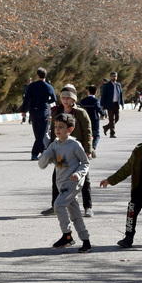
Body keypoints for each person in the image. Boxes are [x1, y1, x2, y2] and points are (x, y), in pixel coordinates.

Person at [38, 113, 91, 253]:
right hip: (62, 184)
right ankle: (86, 241)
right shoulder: (54, 145)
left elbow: (85, 163)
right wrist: (46, 156)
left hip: (73, 182)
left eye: (61, 127)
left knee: (58, 205)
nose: (57, 129)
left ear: (70, 129)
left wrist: (78, 174)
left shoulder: (75, 145)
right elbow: (41, 165)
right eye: (55, 126)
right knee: (75, 213)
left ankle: (67, 235)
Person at [42, 86, 94, 217]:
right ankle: (55, 205)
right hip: (60, 150)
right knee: (56, 177)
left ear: (73, 99)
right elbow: (54, 132)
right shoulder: (56, 112)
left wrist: (88, 151)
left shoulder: (81, 113)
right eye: (63, 97)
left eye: (68, 98)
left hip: (77, 150)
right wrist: (51, 150)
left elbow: (88, 132)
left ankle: (88, 207)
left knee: (84, 178)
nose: (65, 100)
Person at [21, 67, 57, 160]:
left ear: (37, 75)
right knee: (40, 133)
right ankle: (43, 150)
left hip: (33, 111)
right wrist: (46, 102)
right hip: (43, 110)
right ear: (45, 75)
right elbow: (54, 98)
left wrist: (24, 110)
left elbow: (26, 99)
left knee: (37, 132)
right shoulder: (48, 86)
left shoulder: (32, 86)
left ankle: (34, 153)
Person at [78, 85, 103, 152]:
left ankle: (86, 148)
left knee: (87, 135)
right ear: (96, 92)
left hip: (85, 121)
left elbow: (78, 108)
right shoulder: (96, 100)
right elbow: (98, 108)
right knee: (96, 135)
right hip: (94, 121)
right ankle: (93, 147)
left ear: (88, 92)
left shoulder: (83, 101)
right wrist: (103, 114)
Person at [100, 71, 125, 138]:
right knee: (111, 119)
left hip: (116, 104)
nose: (114, 77)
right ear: (110, 77)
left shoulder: (118, 85)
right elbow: (103, 95)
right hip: (110, 104)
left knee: (117, 118)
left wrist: (122, 103)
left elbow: (121, 94)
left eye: (115, 76)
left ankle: (106, 127)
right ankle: (112, 133)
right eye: (113, 76)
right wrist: (102, 104)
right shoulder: (107, 85)